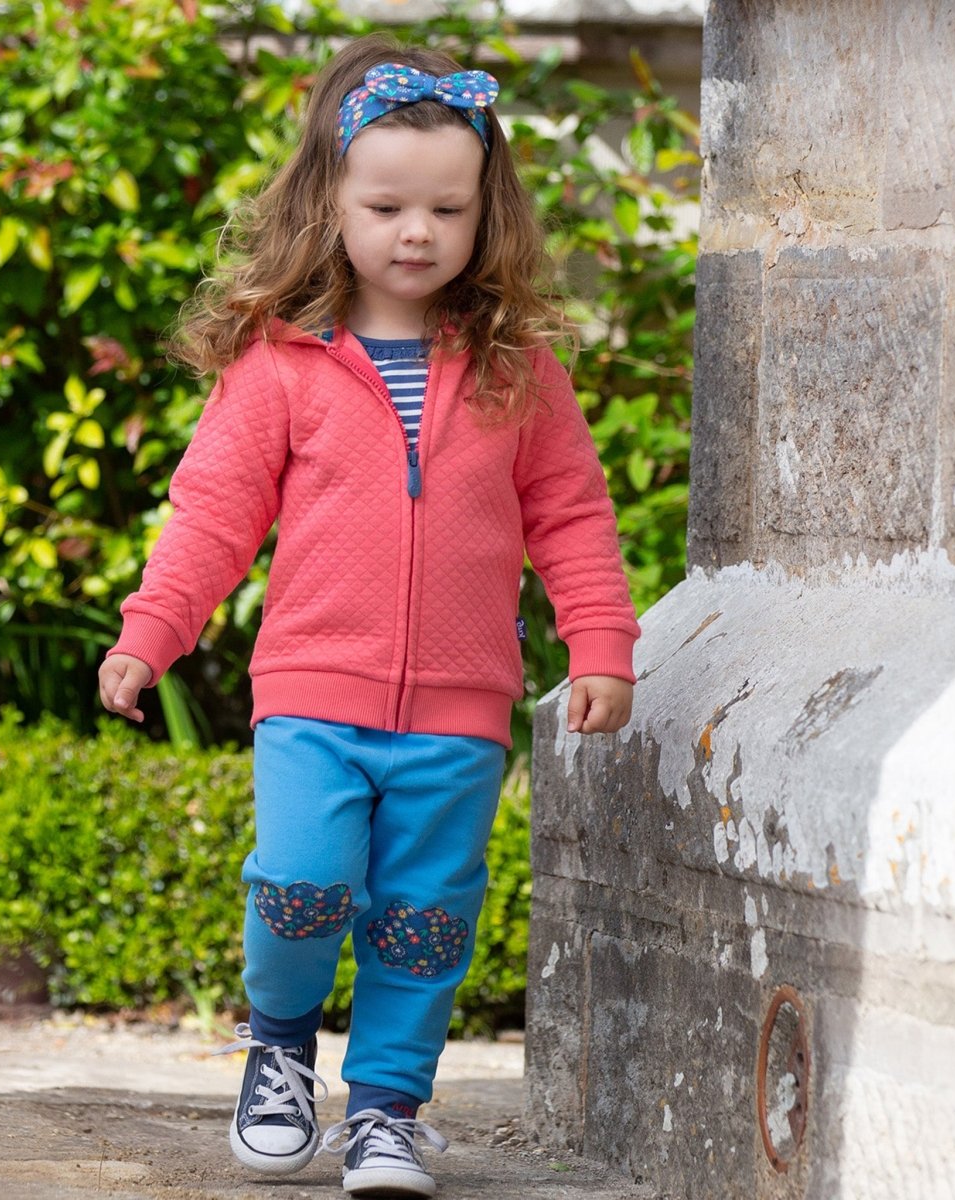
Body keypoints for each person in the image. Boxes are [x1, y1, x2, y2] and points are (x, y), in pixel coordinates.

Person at [98, 31, 640, 1199]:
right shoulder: (279, 364)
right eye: (387, 206)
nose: (417, 232)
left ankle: (388, 1112)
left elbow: (572, 513)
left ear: (486, 213)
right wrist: (152, 631)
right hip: (313, 695)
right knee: (298, 885)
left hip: (460, 708)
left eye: (448, 209)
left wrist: (601, 642)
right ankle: (280, 1050)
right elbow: (211, 517)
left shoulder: (516, 367)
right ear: (328, 204)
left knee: (425, 918)